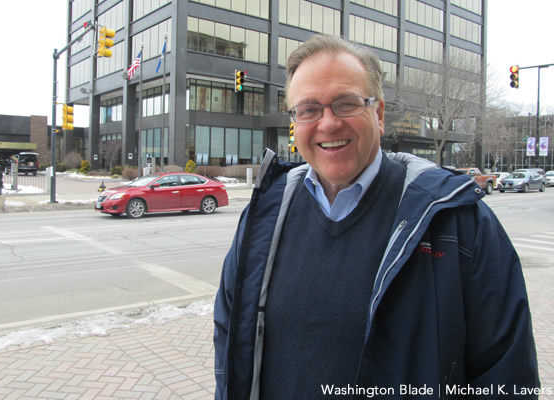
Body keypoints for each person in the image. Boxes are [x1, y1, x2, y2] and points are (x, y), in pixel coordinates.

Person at [213, 34, 539, 399]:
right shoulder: (264, 217)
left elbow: (508, 377)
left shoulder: (459, 222)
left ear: (379, 114)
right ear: (294, 122)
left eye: (345, 103)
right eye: (308, 110)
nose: (328, 124)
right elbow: (230, 343)